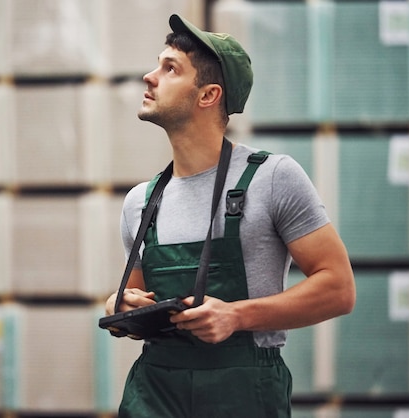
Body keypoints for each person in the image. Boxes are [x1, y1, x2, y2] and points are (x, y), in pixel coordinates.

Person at [102, 14, 356, 418]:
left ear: (208, 95)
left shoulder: (272, 178)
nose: (149, 77)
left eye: (170, 68)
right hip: (154, 394)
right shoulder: (141, 201)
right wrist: (120, 306)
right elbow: (130, 304)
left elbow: (339, 289)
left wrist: (236, 316)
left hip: (243, 394)